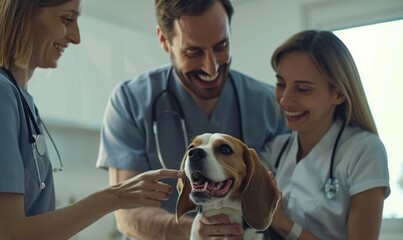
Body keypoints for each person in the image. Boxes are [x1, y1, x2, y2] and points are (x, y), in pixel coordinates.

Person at [96, 0, 287, 239]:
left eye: (221, 46)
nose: (211, 67)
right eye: (193, 52)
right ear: (164, 41)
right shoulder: (130, 101)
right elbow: (126, 213)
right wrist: (194, 232)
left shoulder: (271, 104)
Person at [0, 0, 178, 239]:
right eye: (67, 19)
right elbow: (11, 233)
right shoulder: (3, 95)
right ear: (24, 14)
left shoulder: (21, 99)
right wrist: (115, 196)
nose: (76, 37)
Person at [260, 30, 390, 239]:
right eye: (281, 84)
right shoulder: (273, 150)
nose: (284, 100)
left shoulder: (364, 151)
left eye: (302, 89)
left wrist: (283, 223)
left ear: (338, 93)